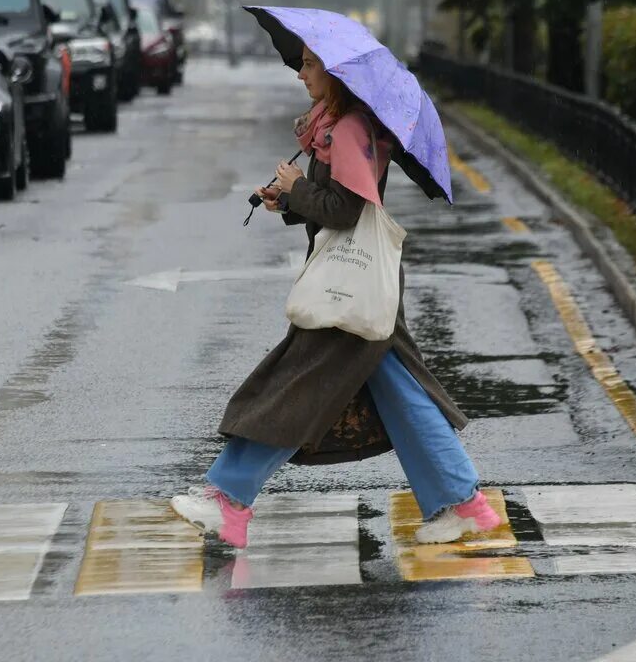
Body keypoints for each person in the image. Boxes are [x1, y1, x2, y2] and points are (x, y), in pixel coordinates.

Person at [170, 45, 499, 548]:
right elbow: (333, 204)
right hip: (363, 284)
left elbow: (346, 211)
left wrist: (299, 187)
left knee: (294, 385)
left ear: (336, 73)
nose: (301, 74)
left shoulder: (345, 130)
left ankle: (228, 500)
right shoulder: (336, 127)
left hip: (348, 288)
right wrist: (290, 199)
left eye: (308, 65)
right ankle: (464, 504)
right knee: (401, 391)